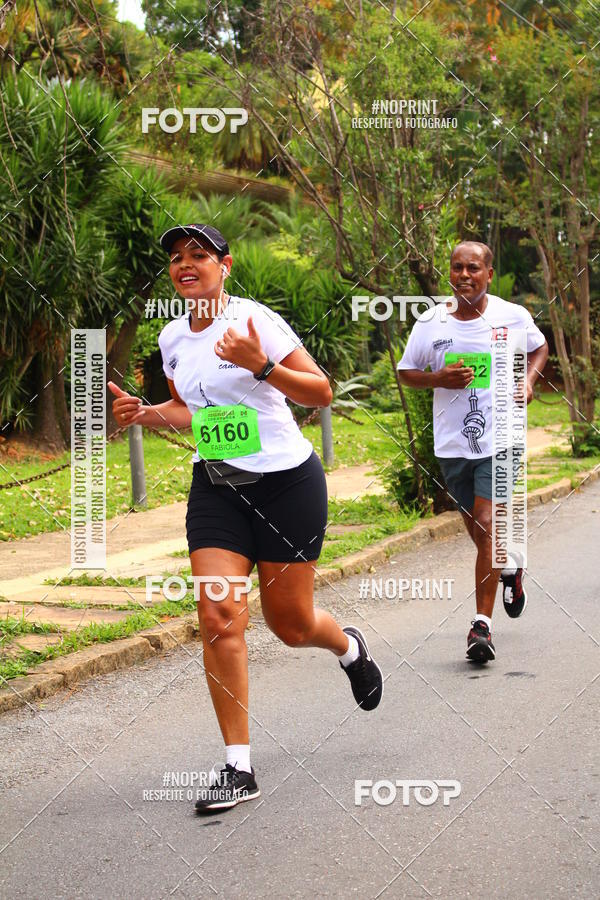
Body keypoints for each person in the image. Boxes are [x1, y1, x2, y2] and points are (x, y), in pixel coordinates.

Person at [108, 223, 383, 813]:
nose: (186, 265)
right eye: (178, 259)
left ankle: (349, 647)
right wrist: (145, 414)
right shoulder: (172, 336)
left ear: (224, 265)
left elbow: (320, 391)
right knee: (219, 612)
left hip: (287, 485)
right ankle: (239, 766)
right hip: (218, 487)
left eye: (199, 255)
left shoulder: (255, 321)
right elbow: (192, 411)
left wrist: (261, 366)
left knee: (291, 624)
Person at [397, 240, 549, 663]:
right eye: (457, 268)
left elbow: (539, 347)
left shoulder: (512, 316)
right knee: (480, 531)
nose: (465, 275)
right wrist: (439, 379)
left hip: (502, 439)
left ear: (488, 272)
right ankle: (509, 569)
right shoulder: (430, 323)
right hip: (452, 445)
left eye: (473, 269)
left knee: (486, 520)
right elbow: (407, 373)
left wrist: (529, 380)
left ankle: (481, 626)